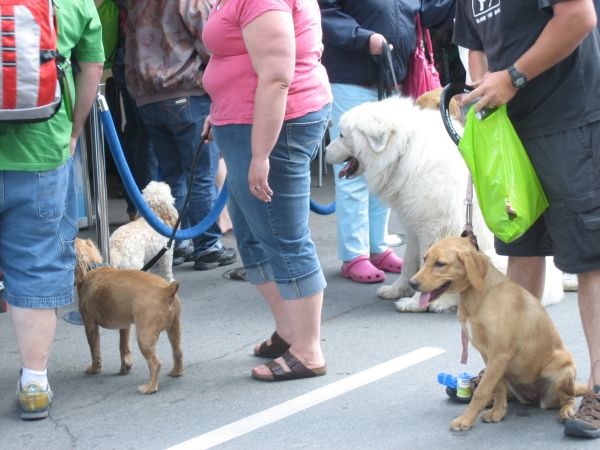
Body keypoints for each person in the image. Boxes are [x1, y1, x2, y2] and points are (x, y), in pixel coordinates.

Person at [454, 0, 600, 438]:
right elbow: (477, 44)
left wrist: (513, 76)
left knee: (590, 258)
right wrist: (481, 84)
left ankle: (597, 389)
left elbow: (579, 17)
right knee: (522, 248)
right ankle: (509, 373)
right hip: (509, 129)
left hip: (568, 119)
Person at [202, 0, 331, 381]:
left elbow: (277, 76)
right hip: (247, 122)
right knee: (254, 236)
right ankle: (291, 331)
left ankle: (308, 351)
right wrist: (220, 110)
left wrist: (261, 154)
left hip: (275, 127)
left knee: (284, 238)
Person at [0, 0, 104, 420]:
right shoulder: (74, 2)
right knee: (38, 265)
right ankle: (35, 384)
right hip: (42, 153)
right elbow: (92, 70)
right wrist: (74, 130)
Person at [318, 0, 455, 284]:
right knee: (354, 171)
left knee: (387, 169)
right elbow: (325, 13)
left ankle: (377, 246)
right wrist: (363, 38)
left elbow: (424, 12)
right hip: (353, 78)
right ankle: (354, 253)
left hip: (391, 77)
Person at [125, 0, 237, 270]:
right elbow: (213, 43)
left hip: (148, 98)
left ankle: (177, 241)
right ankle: (207, 245)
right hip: (187, 92)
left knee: (173, 174)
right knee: (200, 174)